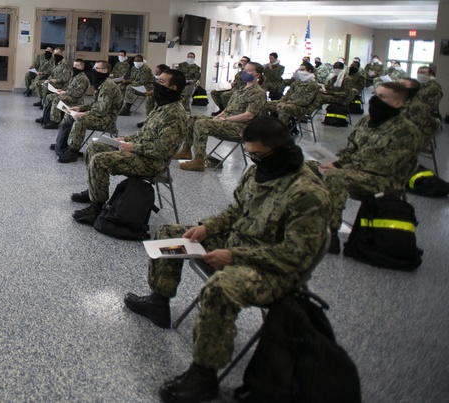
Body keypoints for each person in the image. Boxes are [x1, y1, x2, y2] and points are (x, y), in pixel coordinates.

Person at [124, 117, 330, 403]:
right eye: (250, 154)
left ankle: (203, 375)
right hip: (239, 244)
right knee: (170, 234)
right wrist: (208, 227)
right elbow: (236, 212)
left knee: (220, 288)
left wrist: (235, 255)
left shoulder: (308, 194)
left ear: (281, 149)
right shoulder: (259, 172)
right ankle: (159, 302)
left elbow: (295, 256)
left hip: (274, 268)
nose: (253, 159)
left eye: (258, 154)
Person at [71, 69, 189, 225]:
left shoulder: (175, 114)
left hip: (152, 163)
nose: (156, 84)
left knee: (100, 160)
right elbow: (145, 134)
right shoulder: (162, 107)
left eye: (161, 81)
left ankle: (96, 208)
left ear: (173, 88)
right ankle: (93, 192)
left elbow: (161, 151)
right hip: (142, 152)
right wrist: (125, 139)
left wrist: (132, 147)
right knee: (95, 147)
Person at [318, 82, 422, 253]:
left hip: (384, 181)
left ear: (398, 103)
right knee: (308, 167)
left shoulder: (406, 131)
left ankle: (330, 235)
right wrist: (335, 162)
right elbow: (351, 148)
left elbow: (384, 167)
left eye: (382, 97)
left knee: (335, 177)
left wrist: (341, 168)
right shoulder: (368, 121)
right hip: (354, 171)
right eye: (375, 94)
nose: (374, 99)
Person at [176, 62, 266, 172]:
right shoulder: (241, 90)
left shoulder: (258, 93)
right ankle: (186, 150)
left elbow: (249, 115)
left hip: (239, 128)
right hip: (227, 121)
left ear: (257, 75)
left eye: (248, 71)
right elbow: (228, 109)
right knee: (192, 118)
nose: (244, 73)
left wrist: (226, 119)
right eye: (244, 70)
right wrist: (218, 117)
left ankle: (199, 161)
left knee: (201, 123)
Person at [54, 61, 120, 163]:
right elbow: (95, 104)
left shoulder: (108, 86)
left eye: (96, 68)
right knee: (70, 116)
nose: (93, 70)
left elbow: (101, 110)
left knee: (81, 120)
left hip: (106, 119)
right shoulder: (102, 83)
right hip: (100, 114)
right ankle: (63, 144)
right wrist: (80, 108)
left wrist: (82, 114)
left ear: (104, 70)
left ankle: (72, 152)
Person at [267, 61, 322, 129]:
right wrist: (281, 101)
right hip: (289, 104)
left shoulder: (313, 85)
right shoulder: (297, 82)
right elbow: (288, 94)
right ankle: (266, 127)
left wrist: (286, 103)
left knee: (284, 109)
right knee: (266, 104)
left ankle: (280, 131)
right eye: (299, 70)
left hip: (301, 107)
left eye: (302, 70)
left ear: (309, 71)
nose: (300, 72)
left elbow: (305, 101)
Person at [37, 58, 88, 129]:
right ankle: (46, 117)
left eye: (77, 66)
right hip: (68, 94)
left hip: (74, 98)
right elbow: (69, 87)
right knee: (49, 97)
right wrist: (61, 90)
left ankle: (55, 122)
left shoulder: (82, 78)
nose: (74, 67)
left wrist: (65, 92)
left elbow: (78, 93)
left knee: (57, 99)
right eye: (74, 65)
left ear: (82, 67)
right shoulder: (75, 75)